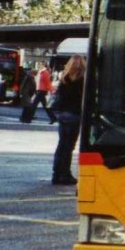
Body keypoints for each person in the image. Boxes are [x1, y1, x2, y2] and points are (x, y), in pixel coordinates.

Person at [52, 55, 85, 186]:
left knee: (61, 146)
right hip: (74, 115)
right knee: (69, 147)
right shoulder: (83, 81)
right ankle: (65, 174)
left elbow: (59, 97)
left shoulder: (64, 79)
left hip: (62, 115)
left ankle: (56, 174)